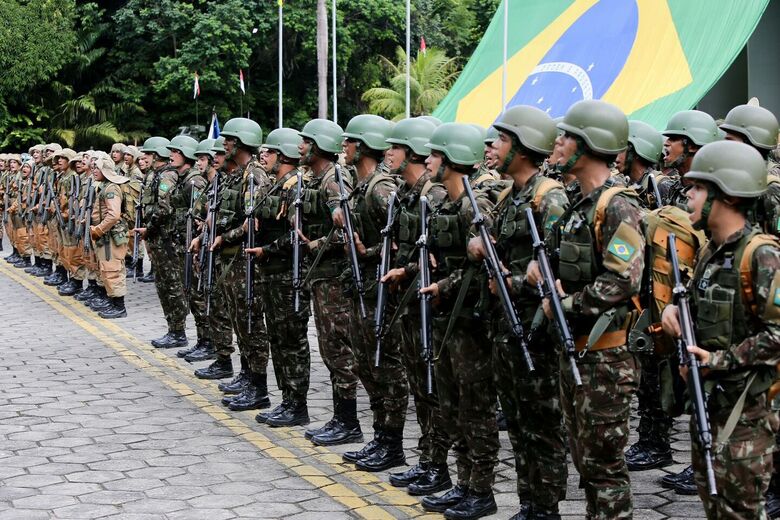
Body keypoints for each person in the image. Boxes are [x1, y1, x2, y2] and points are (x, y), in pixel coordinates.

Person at [532, 100, 644, 519]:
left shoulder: (618, 207)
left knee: (604, 466)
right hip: (577, 350)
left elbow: (622, 280)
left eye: (566, 136)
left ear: (588, 144)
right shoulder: (580, 204)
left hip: (607, 357)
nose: (557, 143)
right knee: (585, 461)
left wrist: (566, 303)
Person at [662, 140, 780, 518]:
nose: (688, 196)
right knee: (714, 503)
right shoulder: (712, 251)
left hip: (747, 414)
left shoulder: (761, 254)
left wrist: (719, 359)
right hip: (711, 402)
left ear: (725, 195)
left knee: (741, 508)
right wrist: (675, 316)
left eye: (697, 189)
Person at [472, 105, 569, 519]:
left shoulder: (550, 199)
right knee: (517, 421)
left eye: (503, 139)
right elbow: (491, 240)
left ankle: (545, 507)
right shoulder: (512, 194)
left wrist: (511, 282)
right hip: (507, 329)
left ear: (525, 148)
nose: (493, 146)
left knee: (541, 425)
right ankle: (530, 503)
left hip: (537, 331)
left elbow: (558, 273)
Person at [418, 123, 499, 520]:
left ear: (451, 160)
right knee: (453, 406)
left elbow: (482, 266)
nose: (427, 160)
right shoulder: (449, 204)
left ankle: (481, 490)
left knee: (475, 407)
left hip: (470, 322)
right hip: (449, 317)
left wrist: (444, 285)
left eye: (434, 155)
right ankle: (463, 483)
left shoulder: (473, 206)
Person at [381, 117, 452, 496]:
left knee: (432, 386)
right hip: (407, 305)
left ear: (412, 151)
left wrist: (405, 270)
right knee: (419, 387)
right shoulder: (406, 193)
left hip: (429, 305)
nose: (387, 152)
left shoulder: (435, 195)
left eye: (395, 147)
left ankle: (438, 464)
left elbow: (438, 260)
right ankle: (426, 460)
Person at [294, 118, 364, 447]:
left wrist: (314, 243)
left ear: (319, 145)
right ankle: (340, 417)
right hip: (323, 278)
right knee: (330, 348)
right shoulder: (319, 178)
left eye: (306, 141)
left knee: (338, 348)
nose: (300, 147)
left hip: (335, 279)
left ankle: (348, 421)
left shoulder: (333, 182)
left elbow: (347, 227)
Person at [245, 128, 314, 427]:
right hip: (272, 273)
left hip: (288, 274)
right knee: (277, 338)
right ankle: (287, 400)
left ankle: (297, 405)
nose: (264, 157)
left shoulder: (295, 186)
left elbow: (298, 235)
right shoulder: (277, 184)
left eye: (269, 152)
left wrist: (267, 249)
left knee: (292, 341)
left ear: (283, 154)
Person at [88, 154, 129, 319]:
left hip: (110, 235)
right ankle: (112, 300)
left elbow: (113, 215)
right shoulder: (104, 186)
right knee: (105, 268)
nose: (94, 170)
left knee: (112, 269)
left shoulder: (111, 188)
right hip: (106, 235)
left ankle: (119, 307)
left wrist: (98, 229)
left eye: (97, 167)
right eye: (94, 167)